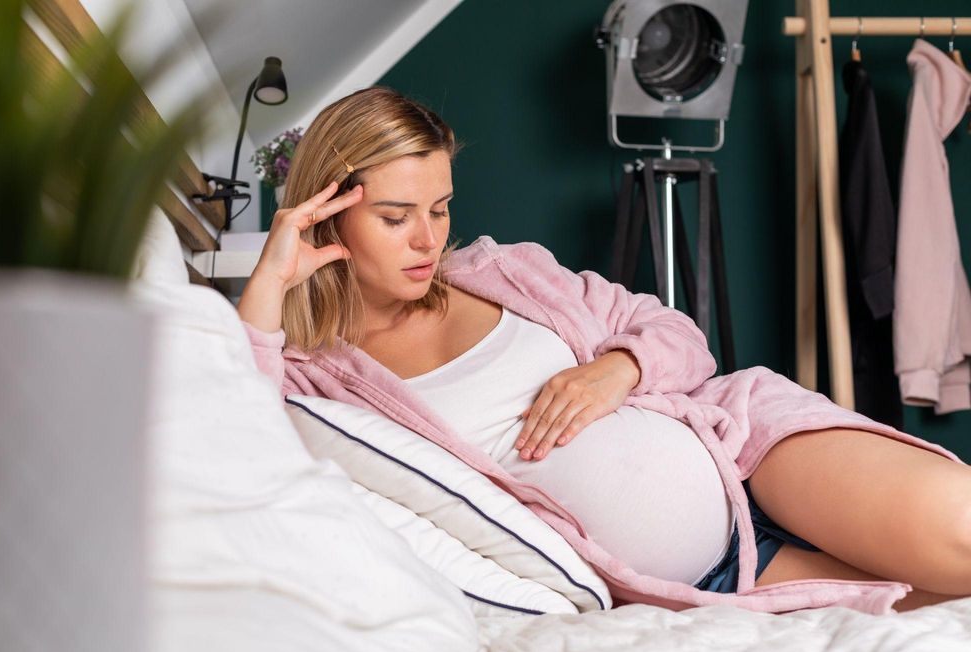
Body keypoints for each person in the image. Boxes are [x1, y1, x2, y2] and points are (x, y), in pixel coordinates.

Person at [237, 86, 971, 614]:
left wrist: (614, 370)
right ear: (325, 211)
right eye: (396, 217)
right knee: (931, 603)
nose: (429, 238)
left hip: (745, 450)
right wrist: (271, 278)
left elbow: (679, 335)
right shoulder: (317, 377)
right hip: (713, 576)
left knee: (961, 530)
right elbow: (236, 433)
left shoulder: (502, 269)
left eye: (440, 207)